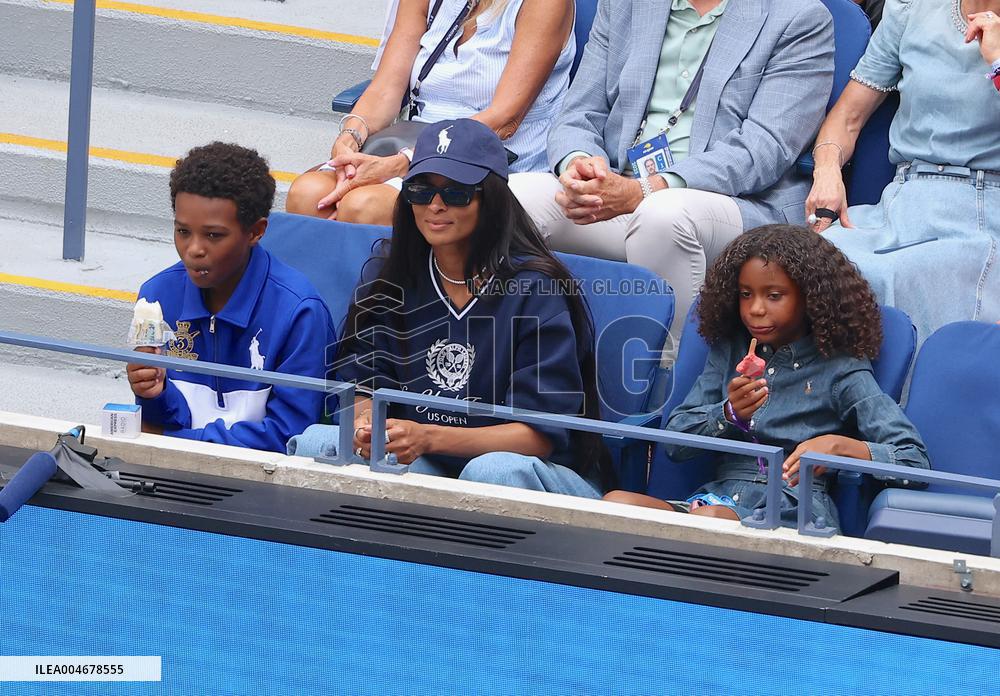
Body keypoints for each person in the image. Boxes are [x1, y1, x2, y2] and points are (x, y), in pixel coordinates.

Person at [508, 0, 835, 361]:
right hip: (619, 188)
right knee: (511, 197)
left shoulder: (799, 17)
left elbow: (765, 149)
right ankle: (514, 368)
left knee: (662, 215)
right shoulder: (625, 4)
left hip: (736, 202)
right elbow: (579, 112)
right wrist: (581, 168)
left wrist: (646, 190)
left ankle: (668, 384)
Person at [335, 118, 613, 497]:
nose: (435, 205)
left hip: (530, 474)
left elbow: (538, 435)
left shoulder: (536, 288)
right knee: (324, 444)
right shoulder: (391, 276)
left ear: (491, 199)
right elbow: (361, 382)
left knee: (491, 472)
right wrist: (366, 426)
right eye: (420, 189)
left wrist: (428, 437)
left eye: (456, 192)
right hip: (425, 460)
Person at [603, 225, 929, 530]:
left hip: (794, 508)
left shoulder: (841, 366)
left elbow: (913, 461)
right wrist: (728, 413)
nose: (755, 309)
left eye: (774, 296)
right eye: (746, 294)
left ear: (812, 298)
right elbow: (675, 444)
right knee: (615, 503)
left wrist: (844, 447)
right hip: (718, 498)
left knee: (713, 520)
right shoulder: (730, 350)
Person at [807, 0, 1000, 345]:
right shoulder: (911, 10)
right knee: (808, 262)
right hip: (901, 201)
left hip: (982, 213)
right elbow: (848, 117)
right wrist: (826, 170)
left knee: (895, 275)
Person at [284, 0, 575, 227]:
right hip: (412, 142)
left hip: (489, 153)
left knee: (364, 207)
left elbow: (504, 120)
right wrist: (350, 138)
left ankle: (384, 302)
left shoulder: (544, 4)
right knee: (307, 195)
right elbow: (386, 89)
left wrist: (406, 161)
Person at [127, 142, 336, 453]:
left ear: (256, 231)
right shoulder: (156, 295)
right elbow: (161, 420)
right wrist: (154, 394)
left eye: (213, 235)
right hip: (175, 472)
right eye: (183, 231)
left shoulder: (299, 312)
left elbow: (290, 437)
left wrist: (171, 441)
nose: (194, 249)